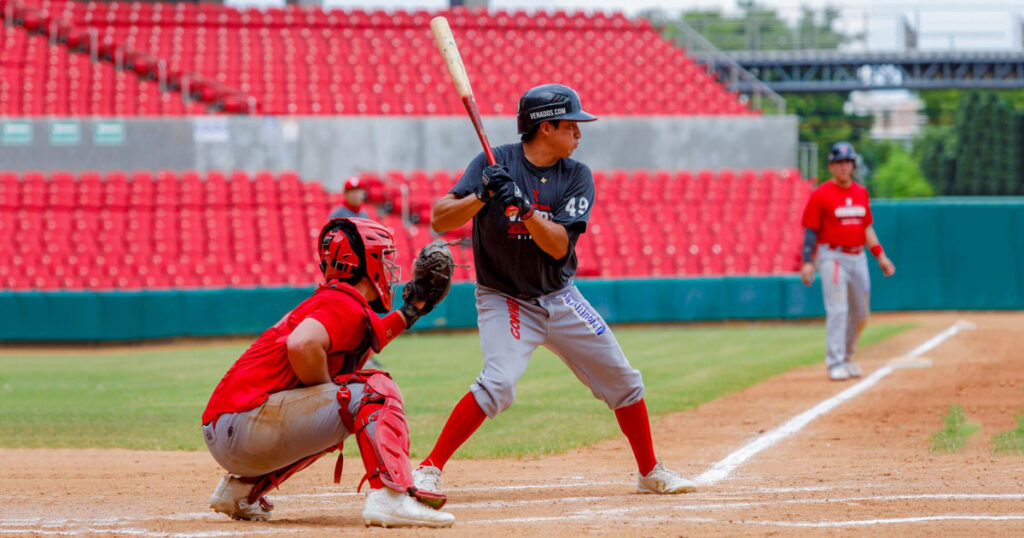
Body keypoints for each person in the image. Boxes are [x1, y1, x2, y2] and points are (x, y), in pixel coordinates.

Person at [412, 83, 697, 497]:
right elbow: (440, 219)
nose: (579, 133)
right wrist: (483, 194)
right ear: (545, 128)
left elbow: (559, 246)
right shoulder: (494, 162)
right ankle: (429, 467)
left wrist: (523, 208)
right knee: (498, 384)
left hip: (560, 297)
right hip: (504, 298)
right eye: (571, 125)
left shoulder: (577, 176)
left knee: (625, 381)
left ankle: (650, 471)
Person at [201, 217, 454, 528]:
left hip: (229, 427)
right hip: (245, 423)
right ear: (366, 262)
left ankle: (241, 490)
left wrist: (414, 308)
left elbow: (372, 337)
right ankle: (391, 496)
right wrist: (328, 394)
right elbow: (302, 344)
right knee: (376, 388)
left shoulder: (337, 300)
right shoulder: (344, 304)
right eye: (385, 258)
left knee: (344, 406)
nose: (391, 269)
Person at [800, 141, 896, 381]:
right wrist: (807, 260)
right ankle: (835, 361)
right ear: (831, 166)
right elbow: (811, 230)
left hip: (858, 256)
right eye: (839, 162)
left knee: (862, 313)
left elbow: (866, 228)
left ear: (853, 165)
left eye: (848, 162)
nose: (844, 167)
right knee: (838, 310)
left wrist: (881, 256)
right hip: (833, 256)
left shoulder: (861, 192)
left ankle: (849, 356)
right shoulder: (821, 194)